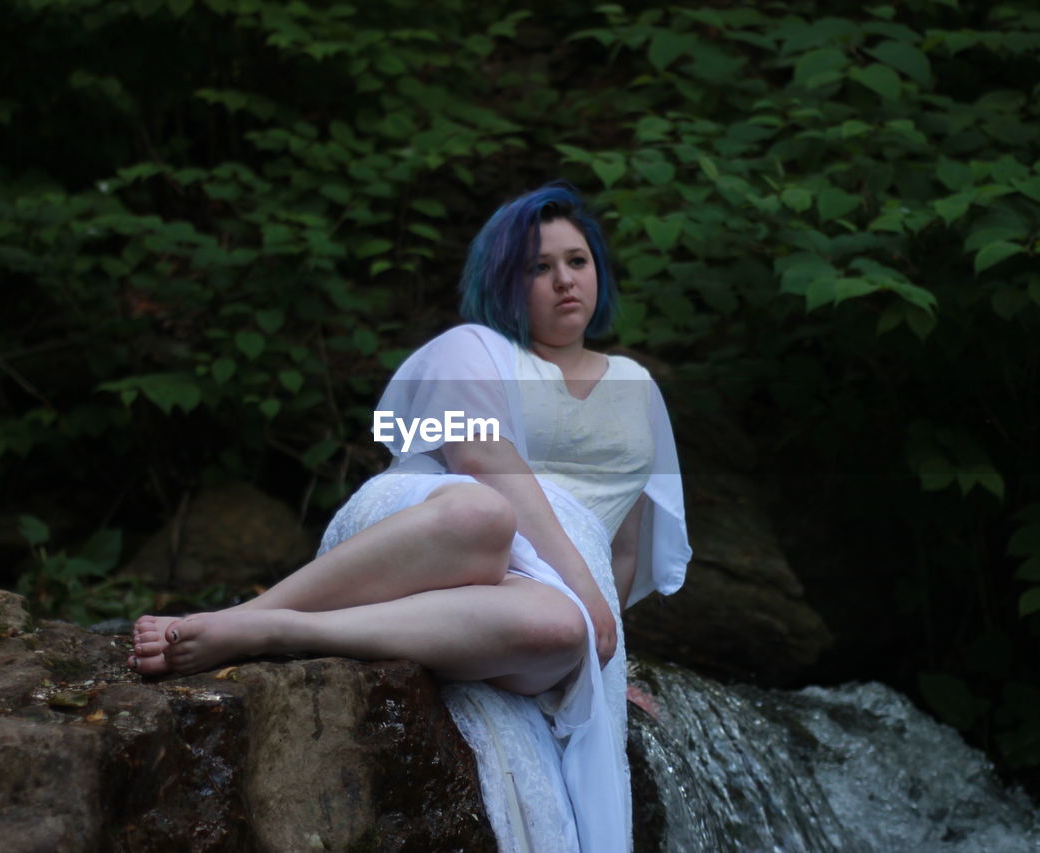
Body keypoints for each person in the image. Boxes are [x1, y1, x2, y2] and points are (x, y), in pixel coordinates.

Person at [128, 182, 690, 852]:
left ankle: (282, 627)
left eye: (578, 260)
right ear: (504, 280)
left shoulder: (637, 385)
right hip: (430, 530)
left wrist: (609, 646)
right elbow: (479, 457)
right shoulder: (475, 346)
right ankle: (244, 619)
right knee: (487, 517)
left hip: (543, 588)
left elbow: (623, 540)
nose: (564, 280)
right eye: (539, 267)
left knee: (561, 628)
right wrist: (585, 583)